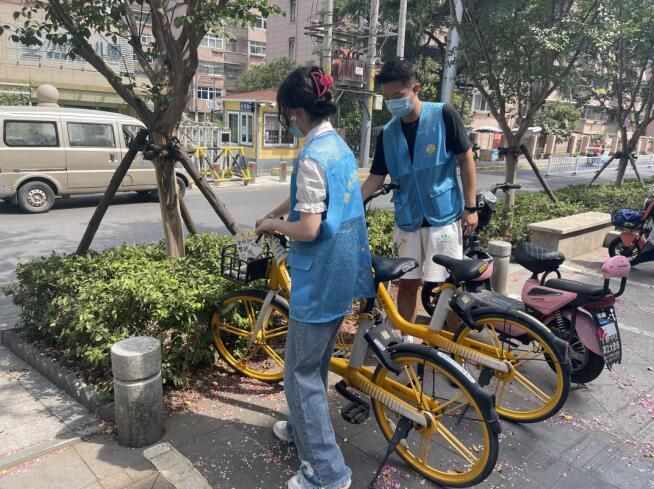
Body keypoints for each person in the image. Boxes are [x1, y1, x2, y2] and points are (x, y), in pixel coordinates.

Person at [255, 66, 374, 489]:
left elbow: (307, 227)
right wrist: (275, 211)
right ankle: (301, 428)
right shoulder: (337, 146)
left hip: (317, 276)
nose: (288, 120)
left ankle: (327, 472)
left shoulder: (310, 156)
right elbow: (311, 199)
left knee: (299, 375)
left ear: (297, 111)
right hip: (342, 271)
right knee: (315, 364)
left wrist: (274, 225)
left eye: (287, 113)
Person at [361, 60, 478, 328]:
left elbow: (466, 159)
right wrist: (352, 205)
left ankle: (453, 345)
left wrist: (471, 207)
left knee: (449, 286)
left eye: (398, 96)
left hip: (443, 217)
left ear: (415, 89)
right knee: (407, 283)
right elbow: (376, 178)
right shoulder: (387, 133)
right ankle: (407, 341)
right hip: (408, 219)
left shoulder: (443, 115)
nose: (392, 103)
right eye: (387, 98)